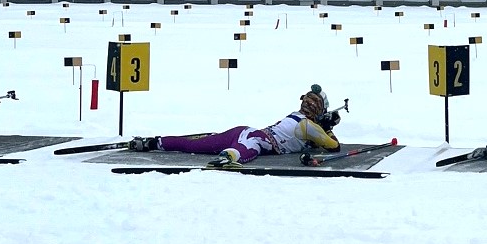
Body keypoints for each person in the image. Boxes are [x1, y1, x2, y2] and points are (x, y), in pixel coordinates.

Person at [128, 84, 343, 168]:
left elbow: (314, 144)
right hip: (256, 138)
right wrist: (329, 127)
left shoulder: (295, 116)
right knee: (249, 150)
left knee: (193, 145)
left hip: (244, 132)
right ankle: (227, 158)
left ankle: (153, 142)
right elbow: (333, 146)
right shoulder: (310, 126)